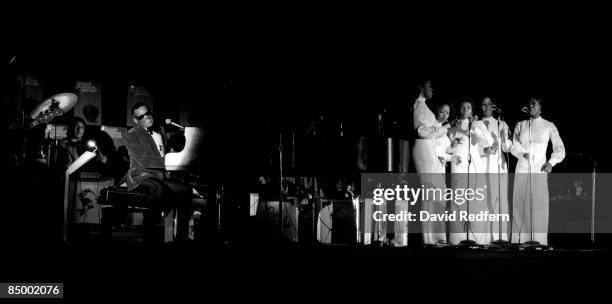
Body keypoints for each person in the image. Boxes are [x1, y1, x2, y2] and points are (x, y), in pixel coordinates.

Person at [124, 102, 193, 242]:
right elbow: (144, 161)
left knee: (186, 190)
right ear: (136, 120)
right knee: (158, 188)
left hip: (161, 176)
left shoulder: (160, 130)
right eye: (142, 116)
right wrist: (170, 160)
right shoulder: (131, 134)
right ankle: (149, 233)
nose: (147, 117)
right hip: (141, 175)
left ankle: (182, 237)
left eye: (148, 113)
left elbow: (164, 153)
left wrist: (173, 156)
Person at [511, 97, 565, 246]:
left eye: (534, 103)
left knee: (538, 206)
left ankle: (538, 241)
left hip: (539, 169)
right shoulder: (520, 125)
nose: (531, 106)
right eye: (529, 104)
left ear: (540, 107)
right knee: (520, 203)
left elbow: (560, 148)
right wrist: (522, 153)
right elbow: (513, 145)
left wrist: (551, 162)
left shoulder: (548, 125)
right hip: (522, 168)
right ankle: (520, 241)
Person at [448, 99, 493, 245]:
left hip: (474, 165)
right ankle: (457, 240)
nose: (465, 109)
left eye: (468, 107)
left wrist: (475, 128)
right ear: (458, 110)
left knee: (476, 202)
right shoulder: (453, 125)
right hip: (458, 165)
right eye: (462, 107)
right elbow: (446, 146)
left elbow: (488, 142)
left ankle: (478, 239)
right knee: (458, 201)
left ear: (472, 110)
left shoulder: (478, 124)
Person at [412, 80, 449, 245]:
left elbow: (435, 132)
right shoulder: (419, 105)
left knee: (438, 195)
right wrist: (445, 129)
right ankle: (428, 239)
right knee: (429, 195)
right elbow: (421, 131)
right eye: (429, 86)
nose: (432, 89)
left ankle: (437, 237)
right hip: (424, 153)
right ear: (421, 87)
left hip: (432, 153)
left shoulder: (425, 107)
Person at [479, 97, 512, 244]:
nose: (487, 106)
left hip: (500, 166)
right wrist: (485, 149)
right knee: (487, 201)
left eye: (489, 104)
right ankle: (487, 238)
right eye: (484, 104)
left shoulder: (501, 123)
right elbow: (474, 147)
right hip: (483, 164)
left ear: (493, 106)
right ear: (480, 107)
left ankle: (502, 237)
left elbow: (507, 148)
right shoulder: (477, 124)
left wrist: (505, 139)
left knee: (501, 201)